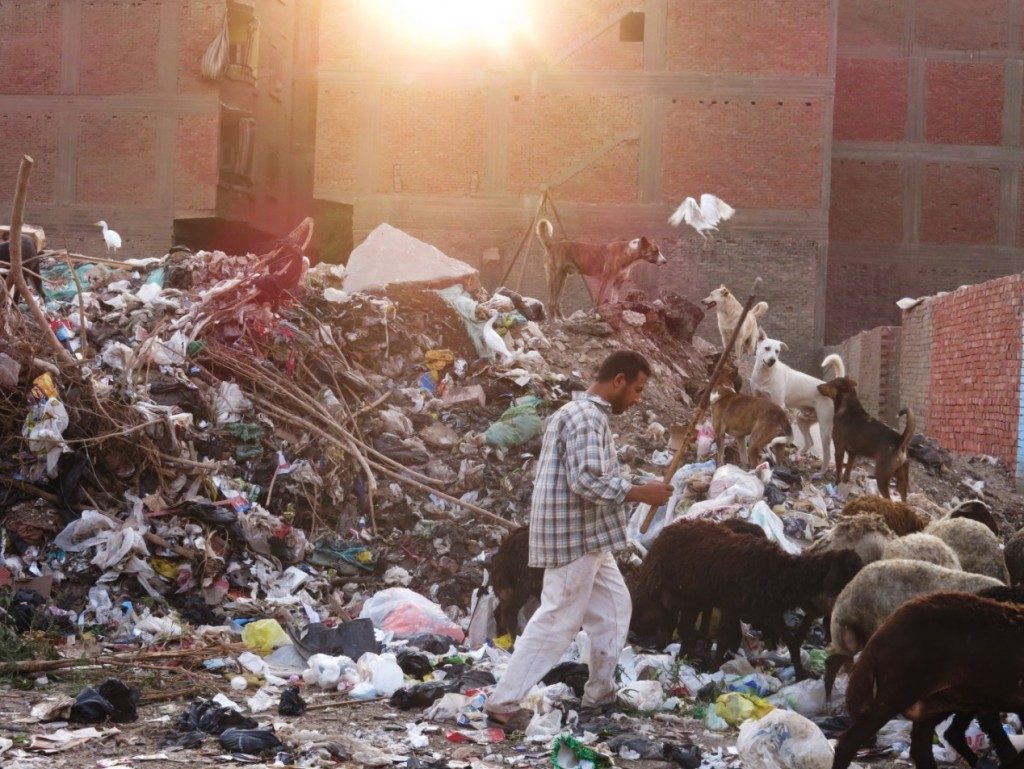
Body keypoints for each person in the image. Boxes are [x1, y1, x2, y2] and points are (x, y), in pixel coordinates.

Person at [485, 350, 674, 727]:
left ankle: (599, 696)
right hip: (574, 537)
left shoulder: (579, 414)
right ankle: (503, 704)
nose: (636, 399)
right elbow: (585, 480)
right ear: (617, 380)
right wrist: (639, 492)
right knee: (557, 620)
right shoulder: (587, 417)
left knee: (615, 610)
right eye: (636, 390)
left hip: (590, 538)